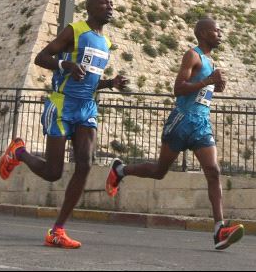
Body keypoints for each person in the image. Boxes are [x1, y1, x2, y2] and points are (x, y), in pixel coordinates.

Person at [0, 0, 128, 249]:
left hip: (87, 107)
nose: (110, 7)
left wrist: (110, 83)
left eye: (112, 4)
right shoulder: (75, 31)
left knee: (85, 164)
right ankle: (19, 152)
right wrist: (65, 65)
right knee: (53, 172)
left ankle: (57, 230)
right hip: (62, 105)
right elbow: (41, 58)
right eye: (105, 3)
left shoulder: (105, 42)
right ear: (91, 8)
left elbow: (89, 80)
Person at [104, 16, 244, 251]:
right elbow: (178, 89)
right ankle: (120, 170)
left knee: (213, 171)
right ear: (203, 33)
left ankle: (219, 229)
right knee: (159, 171)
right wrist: (208, 80)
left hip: (201, 124)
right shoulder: (192, 55)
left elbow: (201, 90)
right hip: (181, 120)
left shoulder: (210, 61)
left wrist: (215, 86)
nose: (220, 34)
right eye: (216, 31)